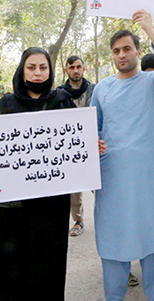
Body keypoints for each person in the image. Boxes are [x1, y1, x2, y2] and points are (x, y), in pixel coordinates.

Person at [0, 47, 77, 300]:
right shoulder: (7, 104)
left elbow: (75, 143)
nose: (37, 73)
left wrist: (90, 148)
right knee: (14, 271)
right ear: (22, 70)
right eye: (31, 67)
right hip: (16, 210)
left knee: (49, 268)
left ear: (50, 70)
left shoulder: (62, 102)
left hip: (52, 207)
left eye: (43, 67)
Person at [91, 9, 154, 301]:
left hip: (146, 179)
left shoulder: (152, 83)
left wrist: (151, 31)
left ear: (138, 51)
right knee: (113, 242)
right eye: (116, 51)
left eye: (127, 49)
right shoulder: (102, 89)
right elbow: (92, 131)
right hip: (111, 179)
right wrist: (94, 145)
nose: (122, 55)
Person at [59, 55, 95, 237]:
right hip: (70, 149)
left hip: (93, 145)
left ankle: (110, 219)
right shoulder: (58, 94)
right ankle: (78, 221)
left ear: (83, 68)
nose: (75, 70)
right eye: (72, 67)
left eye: (79, 67)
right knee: (74, 188)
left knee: (100, 185)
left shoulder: (95, 90)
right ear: (66, 70)